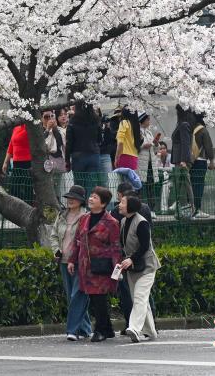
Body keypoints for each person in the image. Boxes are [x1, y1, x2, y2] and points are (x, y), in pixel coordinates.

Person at [69, 186, 120, 342]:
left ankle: (100, 330)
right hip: (86, 266)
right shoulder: (84, 218)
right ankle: (108, 329)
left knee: (99, 299)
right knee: (93, 297)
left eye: (95, 197)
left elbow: (116, 247)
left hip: (103, 266)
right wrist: (72, 260)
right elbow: (77, 241)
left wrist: (117, 271)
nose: (91, 199)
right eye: (91, 196)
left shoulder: (111, 222)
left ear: (103, 204)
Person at [118, 193, 159, 343]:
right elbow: (123, 245)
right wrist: (122, 260)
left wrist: (131, 259)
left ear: (130, 206)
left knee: (139, 297)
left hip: (147, 267)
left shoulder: (142, 223)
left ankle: (134, 328)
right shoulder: (123, 221)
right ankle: (151, 332)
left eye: (122, 202)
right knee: (141, 300)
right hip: (133, 268)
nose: (119, 204)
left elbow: (145, 246)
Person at [55, 186, 92, 341]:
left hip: (80, 261)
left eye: (74, 198)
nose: (70, 200)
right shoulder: (61, 215)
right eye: (69, 197)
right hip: (63, 261)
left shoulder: (86, 217)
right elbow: (53, 235)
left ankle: (72, 330)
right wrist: (56, 250)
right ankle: (86, 329)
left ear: (81, 201)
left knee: (76, 294)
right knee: (72, 297)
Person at [66, 102, 103, 189]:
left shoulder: (73, 121)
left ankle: (80, 202)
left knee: (79, 185)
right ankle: (89, 202)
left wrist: (67, 159)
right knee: (91, 185)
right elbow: (100, 139)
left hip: (78, 155)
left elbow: (69, 142)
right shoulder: (96, 120)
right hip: (94, 154)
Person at [169, 120, 196, 218]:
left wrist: (184, 160)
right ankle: (182, 210)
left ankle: (191, 209)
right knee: (180, 186)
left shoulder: (184, 124)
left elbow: (185, 142)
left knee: (186, 185)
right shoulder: (180, 124)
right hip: (179, 160)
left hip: (182, 161)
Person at [190, 119, 215, 218]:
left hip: (191, 161)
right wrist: (212, 162)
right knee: (199, 185)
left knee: (191, 185)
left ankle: (191, 209)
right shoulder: (202, 130)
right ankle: (197, 209)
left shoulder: (190, 129)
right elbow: (208, 146)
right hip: (200, 161)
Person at [3, 121, 33, 204]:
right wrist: (6, 162)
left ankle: (28, 208)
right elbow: (11, 146)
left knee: (28, 189)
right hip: (16, 163)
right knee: (14, 188)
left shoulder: (30, 127)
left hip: (27, 162)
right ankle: (18, 207)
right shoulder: (16, 128)